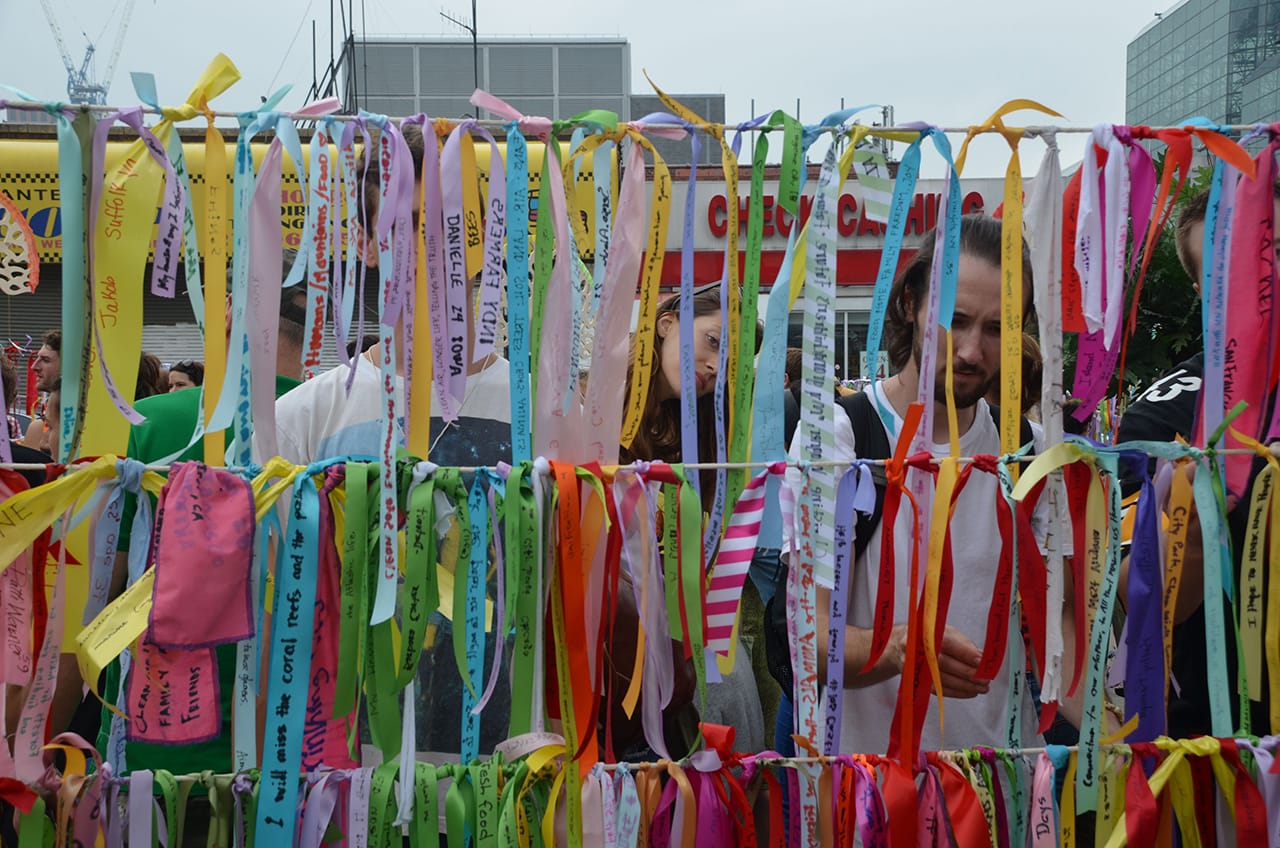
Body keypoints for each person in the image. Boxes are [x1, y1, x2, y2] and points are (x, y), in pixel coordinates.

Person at [783, 214, 1085, 755]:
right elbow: (806, 637)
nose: (972, 351)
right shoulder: (837, 438)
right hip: (870, 794)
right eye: (955, 319)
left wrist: (1120, 741)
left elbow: (1059, 619)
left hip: (996, 790)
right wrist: (901, 647)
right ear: (909, 305)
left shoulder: (1031, 453)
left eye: (997, 329)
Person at [272, 123, 515, 758]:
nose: (432, 248)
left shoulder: (541, 416)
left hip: (501, 776)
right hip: (347, 777)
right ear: (369, 244)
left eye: (449, 224)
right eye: (406, 226)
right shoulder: (303, 420)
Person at [94, 253, 311, 798]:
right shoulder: (332, 430)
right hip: (296, 766)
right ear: (318, 325)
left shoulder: (154, 427)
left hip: (152, 757)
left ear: (230, 312)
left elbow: (102, 594)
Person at [1116, 183, 1280, 737]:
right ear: (1202, 286)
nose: (1262, 280)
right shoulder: (1165, 416)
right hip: (1220, 751)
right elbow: (1134, 600)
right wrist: (1198, 504)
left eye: (1274, 251)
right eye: (1230, 266)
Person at [611, 282, 767, 758]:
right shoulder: (599, 405)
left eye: (731, 362)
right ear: (667, 324)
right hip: (607, 648)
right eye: (713, 341)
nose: (715, 366)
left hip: (675, 660)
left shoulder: (703, 436)